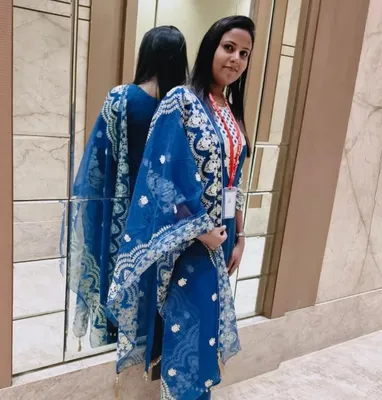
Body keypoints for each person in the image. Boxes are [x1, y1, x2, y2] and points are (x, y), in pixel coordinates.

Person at [107, 15, 255, 399]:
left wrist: (240, 236)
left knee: (206, 333)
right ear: (209, 48)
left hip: (223, 239)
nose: (236, 59)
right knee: (187, 332)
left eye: (244, 53)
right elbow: (159, 178)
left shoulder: (230, 109)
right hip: (189, 242)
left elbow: (234, 182)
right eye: (228, 48)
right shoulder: (182, 101)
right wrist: (200, 231)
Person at [67, 26, 189, 350]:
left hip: (123, 214)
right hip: (168, 216)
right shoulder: (183, 107)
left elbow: (96, 165)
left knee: (120, 272)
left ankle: (117, 334)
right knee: (159, 281)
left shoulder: (121, 98)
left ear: (145, 54)